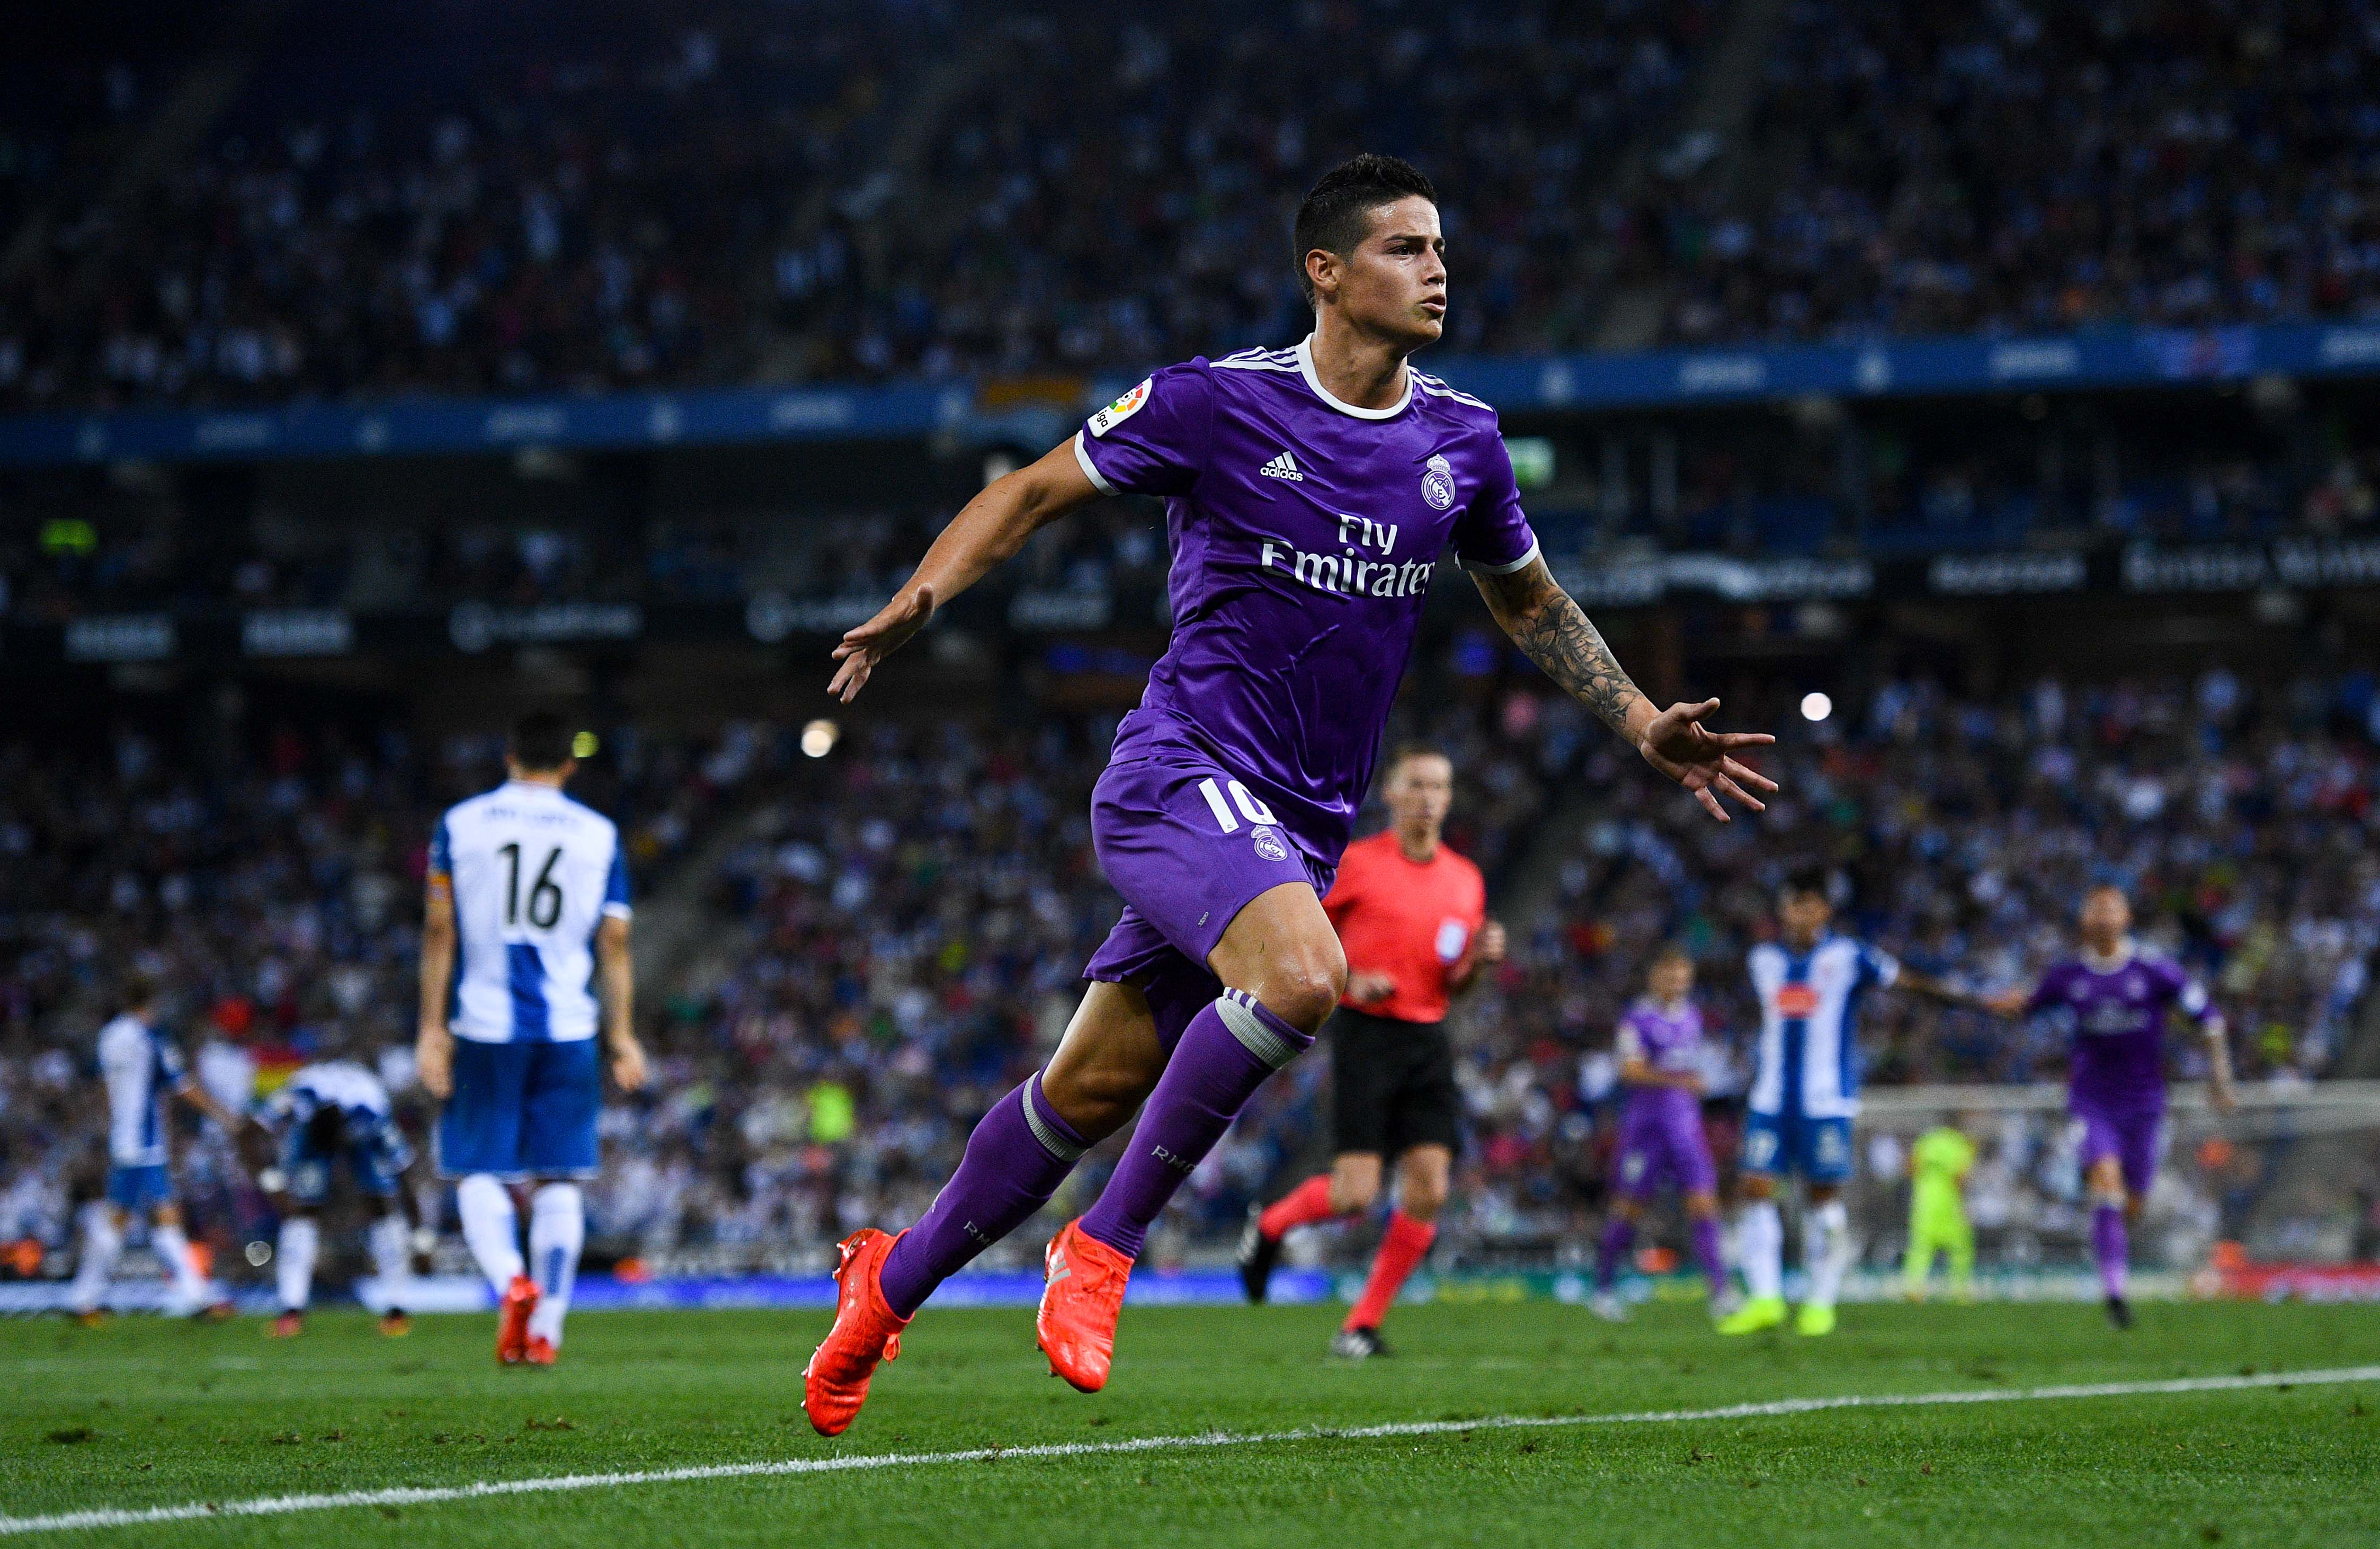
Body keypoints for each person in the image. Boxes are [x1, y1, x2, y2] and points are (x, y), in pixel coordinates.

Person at [800, 153, 1777, 1436]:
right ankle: (1099, 1248)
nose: (1437, 269)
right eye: (1404, 248)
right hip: (1177, 774)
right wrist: (926, 591)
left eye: (1439, 248)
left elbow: (1526, 599)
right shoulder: (1214, 404)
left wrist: (1640, 716)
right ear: (1325, 271)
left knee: (1084, 1091)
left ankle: (886, 1286)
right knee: (1304, 979)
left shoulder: (1460, 443)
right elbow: (1030, 491)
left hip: (1296, 826)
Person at [1235, 744, 1504, 1358]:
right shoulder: (1356, 864)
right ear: (1390, 792)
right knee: (1356, 1193)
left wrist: (1477, 966)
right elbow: (1306, 939)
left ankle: (1360, 1325)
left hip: (1428, 1036)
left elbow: (1454, 985)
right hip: (1366, 1032)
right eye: (1416, 785)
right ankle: (1271, 1224)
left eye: (1439, 787)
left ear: (1450, 798)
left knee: (1431, 1188)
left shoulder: (1466, 880)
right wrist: (1351, 979)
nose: (1428, 798)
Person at [416, 710, 646, 1366]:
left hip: (484, 1023)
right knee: (560, 1178)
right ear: (569, 764)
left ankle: (508, 1284)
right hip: (569, 1026)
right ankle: (546, 1326)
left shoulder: (460, 825)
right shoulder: (598, 834)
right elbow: (617, 940)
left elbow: (439, 932)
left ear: (508, 753)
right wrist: (623, 1036)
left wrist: (432, 1030)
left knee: (479, 1169)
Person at [1717, 865, 1973, 1338]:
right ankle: (1767, 1298)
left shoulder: (1849, 956)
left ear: (1825, 911)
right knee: (1754, 1188)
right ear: (1783, 911)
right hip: (1770, 1098)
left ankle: (1820, 1301)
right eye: (1795, 904)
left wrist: (1973, 1000)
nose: (1802, 914)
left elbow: (1909, 981)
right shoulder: (1763, 960)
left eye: (1812, 904)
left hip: (1826, 1100)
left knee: (1822, 1197)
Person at [1978, 885, 2233, 1327]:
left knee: (2134, 1201)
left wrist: (2220, 1078)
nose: (2101, 916)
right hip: (2091, 1101)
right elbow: (2027, 1007)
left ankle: (2112, 1249)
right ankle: (2115, 1293)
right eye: (2093, 908)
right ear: (2083, 919)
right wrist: (2005, 1005)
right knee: (2107, 1188)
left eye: (2110, 908)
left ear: (2126, 917)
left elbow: (2210, 1019)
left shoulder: (2155, 971)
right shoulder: (2067, 975)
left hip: (2146, 1105)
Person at [67, 974, 243, 1321]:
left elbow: (105, 1086)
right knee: (164, 1217)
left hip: (122, 1137)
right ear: (152, 1003)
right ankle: (196, 1297)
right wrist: (225, 1116)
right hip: (146, 1141)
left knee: (118, 1220)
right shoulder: (150, 1039)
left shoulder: (110, 1036)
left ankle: (84, 1297)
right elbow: (182, 1085)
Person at [240, 1058, 431, 1337]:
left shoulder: (372, 1117)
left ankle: (397, 1309)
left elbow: (404, 1175)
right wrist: (273, 1183)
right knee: (302, 1211)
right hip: (317, 1127)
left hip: (359, 1119)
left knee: (380, 1205)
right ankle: (291, 1310)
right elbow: (250, 1133)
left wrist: (421, 1239)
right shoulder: (300, 1098)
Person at [1589, 947, 1727, 1322]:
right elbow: (1630, 1071)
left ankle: (1721, 1291)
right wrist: (1680, 1080)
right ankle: (1603, 1290)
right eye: (1670, 975)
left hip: (1685, 1127)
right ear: (1655, 978)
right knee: (1629, 1207)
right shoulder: (1636, 1019)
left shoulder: (1693, 1018)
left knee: (1703, 1204)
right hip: (1645, 1129)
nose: (1676, 983)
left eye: (1683, 977)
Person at [1903, 1115, 1978, 1302]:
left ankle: (1914, 1288)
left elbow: (1910, 1167)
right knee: (1961, 1247)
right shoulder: (1960, 1143)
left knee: (1920, 1247)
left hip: (1924, 1201)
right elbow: (1961, 1178)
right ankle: (1958, 1289)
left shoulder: (1927, 1140)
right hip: (1949, 1202)